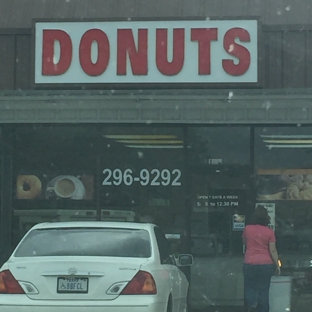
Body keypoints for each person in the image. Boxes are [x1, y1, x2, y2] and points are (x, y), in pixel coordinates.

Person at [242, 205, 281, 312]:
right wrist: (277, 265)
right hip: (266, 264)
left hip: (250, 262)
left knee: (250, 288)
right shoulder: (269, 232)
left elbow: (245, 242)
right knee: (264, 290)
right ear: (266, 218)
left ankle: (252, 304)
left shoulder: (247, 229)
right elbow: (273, 250)